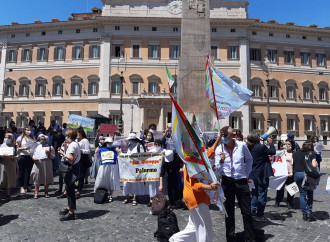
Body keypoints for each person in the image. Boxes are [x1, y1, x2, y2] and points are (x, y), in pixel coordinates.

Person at [215, 126, 255, 242]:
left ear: (231, 135)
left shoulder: (242, 145)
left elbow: (249, 160)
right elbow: (217, 170)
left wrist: (246, 174)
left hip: (241, 181)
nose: (223, 139)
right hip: (227, 182)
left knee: (247, 212)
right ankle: (230, 237)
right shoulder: (219, 149)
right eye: (222, 137)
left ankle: (250, 238)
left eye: (225, 136)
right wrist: (221, 162)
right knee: (229, 212)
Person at [169, 165, 218, 242]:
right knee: (203, 227)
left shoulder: (192, 160)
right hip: (197, 198)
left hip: (196, 198)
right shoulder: (192, 161)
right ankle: (175, 239)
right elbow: (193, 184)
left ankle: (176, 239)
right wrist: (209, 187)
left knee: (194, 226)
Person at [246, 133, 275, 221]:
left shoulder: (247, 147)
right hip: (262, 173)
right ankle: (260, 214)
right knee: (262, 193)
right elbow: (272, 152)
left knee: (255, 192)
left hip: (254, 172)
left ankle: (253, 209)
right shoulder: (260, 147)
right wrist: (271, 143)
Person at [58, 129, 81, 221]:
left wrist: (62, 153)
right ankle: (69, 207)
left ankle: (71, 212)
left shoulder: (73, 145)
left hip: (71, 168)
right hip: (74, 167)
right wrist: (66, 146)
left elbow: (71, 157)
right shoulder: (74, 144)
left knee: (70, 191)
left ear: (70, 137)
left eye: (67, 136)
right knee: (68, 189)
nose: (65, 137)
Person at [293, 141, 318, 221]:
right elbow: (314, 165)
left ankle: (304, 214)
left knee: (302, 194)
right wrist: (316, 164)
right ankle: (309, 211)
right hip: (308, 175)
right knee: (310, 193)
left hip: (297, 174)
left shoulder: (296, 153)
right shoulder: (311, 153)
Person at [94, 137, 121, 202]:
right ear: (106, 143)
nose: (110, 144)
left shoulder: (115, 149)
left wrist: (119, 152)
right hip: (103, 167)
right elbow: (97, 158)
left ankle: (111, 195)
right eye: (108, 143)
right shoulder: (101, 149)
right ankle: (101, 193)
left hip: (113, 167)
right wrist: (96, 152)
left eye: (111, 143)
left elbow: (121, 157)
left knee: (112, 180)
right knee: (101, 180)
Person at [123, 133, 146, 205]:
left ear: (133, 140)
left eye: (129, 140)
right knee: (126, 182)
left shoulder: (139, 146)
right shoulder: (129, 146)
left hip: (136, 167)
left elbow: (143, 156)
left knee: (135, 183)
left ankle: (134, 197)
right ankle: (126, 196)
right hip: (128, 167)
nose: (128, 141)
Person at [275, 139, 295, 209]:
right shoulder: (282, 152)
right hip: (282, 173)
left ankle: (290, 202)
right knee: (280, 188)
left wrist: (292, 172)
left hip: (291, 173)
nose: (287, 145)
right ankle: (278, 201)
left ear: (292, 145)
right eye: (285, 144)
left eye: (288, 144)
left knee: (291, 188)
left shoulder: (294, 153)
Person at [16, 127, 36, 194]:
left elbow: (35, 146)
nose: (29, 131)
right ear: (24, 130)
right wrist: (24, 148)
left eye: (30, 130)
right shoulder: (20, 138)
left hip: (30, 156)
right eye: (27, 130)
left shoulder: (32, 138)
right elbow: (18, 148)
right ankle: (21, 187)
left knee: (30, 172)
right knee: (22, 172)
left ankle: (28, 186)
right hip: (22, 156)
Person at [0, 133, 18, 200]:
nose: (6, 139)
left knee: (9, 179)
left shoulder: (14, 146)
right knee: (1, 179)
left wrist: (12, 157)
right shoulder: (2, 145)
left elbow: (18, 156)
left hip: (11, 164)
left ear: (12, 138)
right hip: (2, 164)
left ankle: (8, 194)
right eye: (5, 137)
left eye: (8, 137)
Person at [76, 127, 91, 199]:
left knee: (81, 176)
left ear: (81, 133)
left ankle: (79, 191)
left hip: (83, 159)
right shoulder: (77, 141)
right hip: (76, 159)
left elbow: (88, 151)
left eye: (77, 133)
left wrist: (80, 150)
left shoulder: (85, 140)